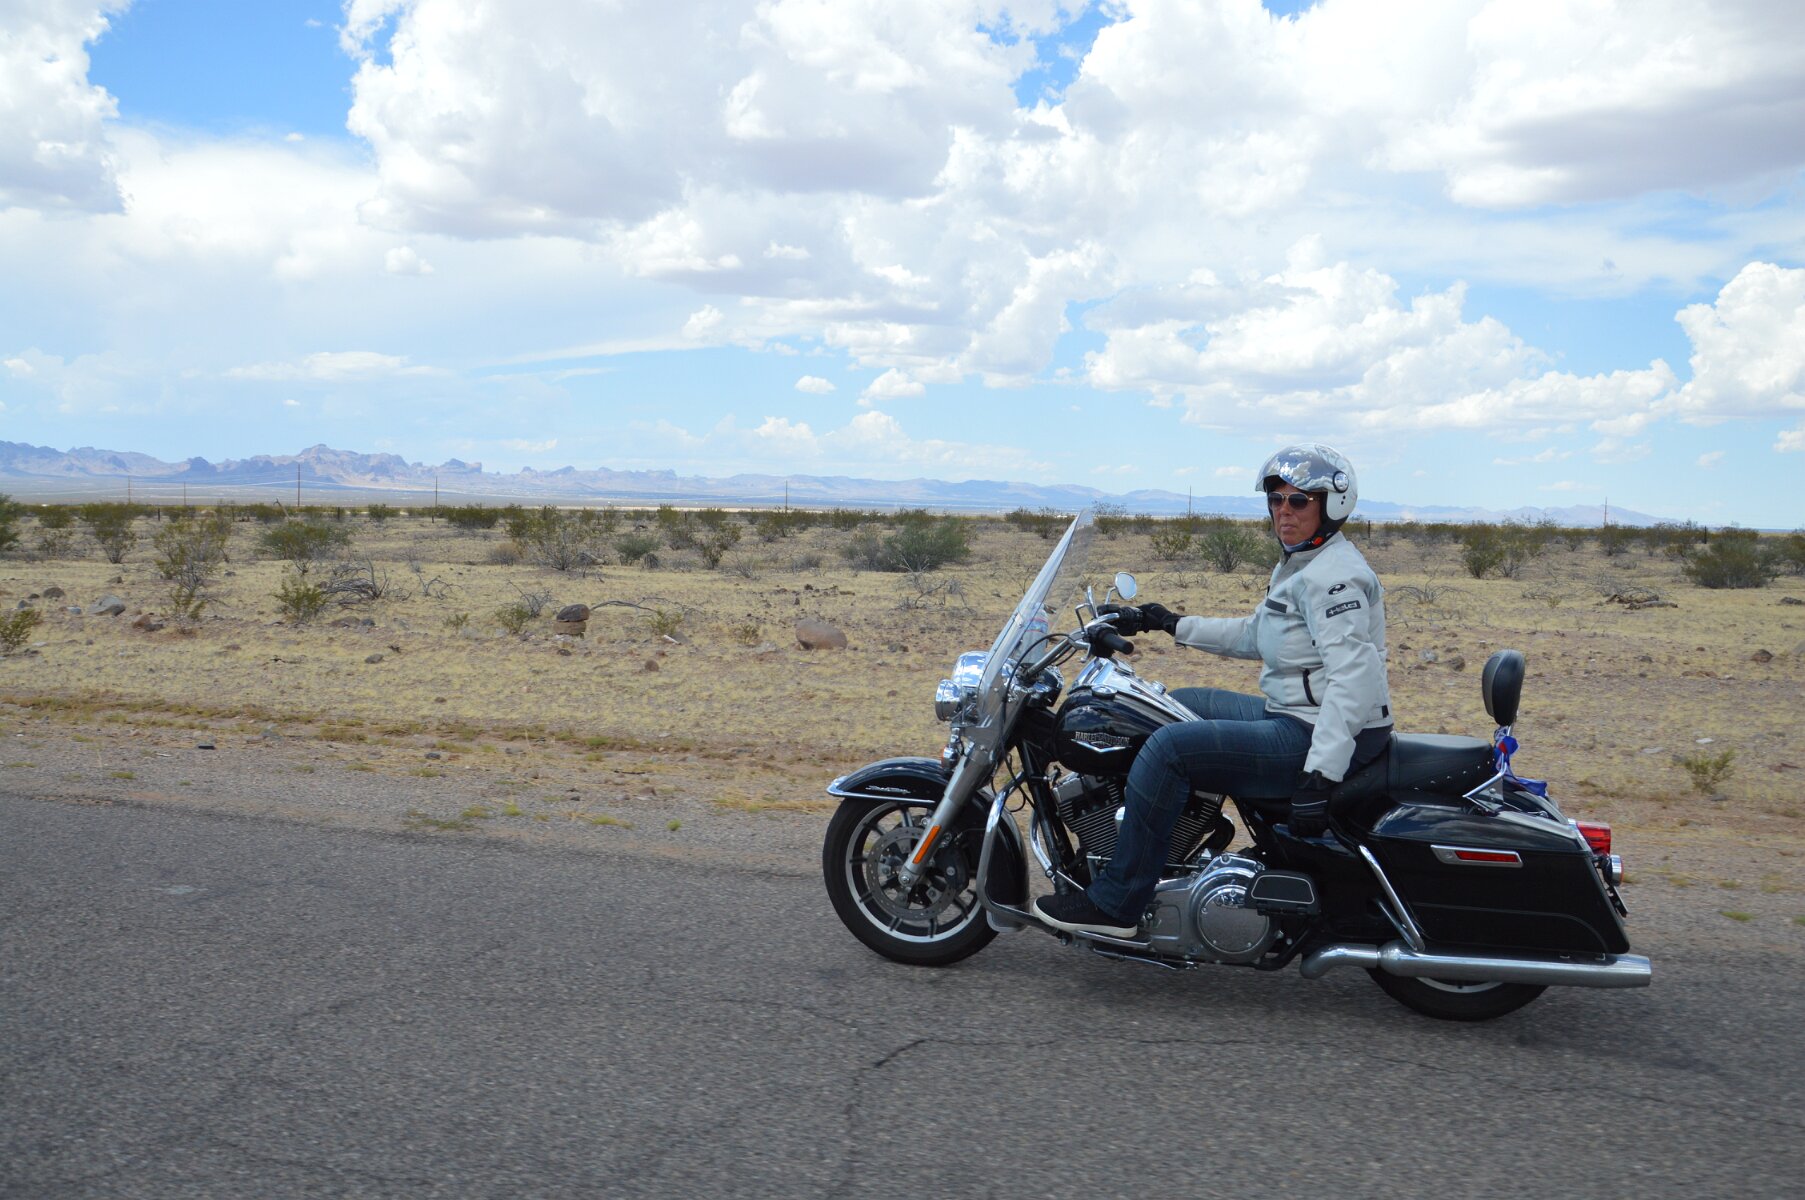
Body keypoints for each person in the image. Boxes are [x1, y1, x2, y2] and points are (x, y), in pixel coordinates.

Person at [1033, 443, 1394, 938]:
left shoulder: (1334, 578)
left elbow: (1355, 677)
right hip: (1296, 713)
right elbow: (1254, 635)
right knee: (1173, 706)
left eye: (1299, 501)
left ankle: (1117, 902)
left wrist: (1321, 772)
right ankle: (1169, 847)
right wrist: (1167, 622)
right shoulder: (1301, 565)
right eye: (1276, 500)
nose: (1284, 512)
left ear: (1332, 506)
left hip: (1322, 733)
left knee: (1170, 749)